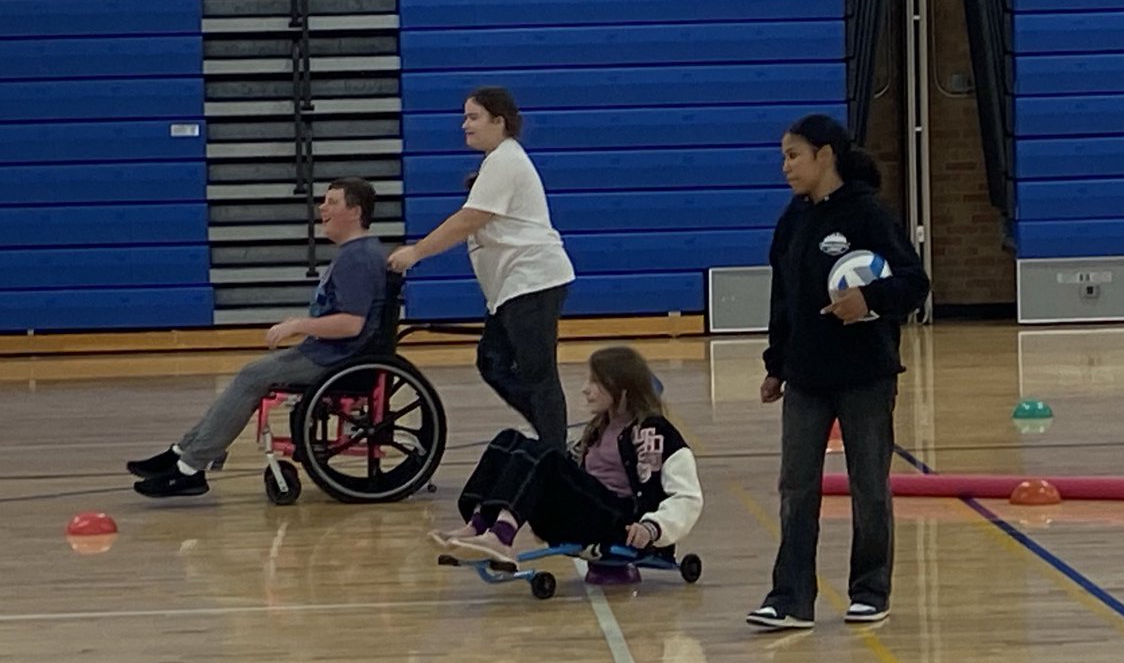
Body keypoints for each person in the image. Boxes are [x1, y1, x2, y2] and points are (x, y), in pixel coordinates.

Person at [746, 115, 930, 630]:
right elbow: (783, 299)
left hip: (866, 375)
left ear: (825, 156)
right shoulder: (792, 220)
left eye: (793, 155)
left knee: (868, 484)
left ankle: (870, 590)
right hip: (806, 376)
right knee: (797, 487)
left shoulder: (868, 214)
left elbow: (916, 283)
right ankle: (790, 598)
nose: (785, 167)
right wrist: (775, 365)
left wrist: (868, 300)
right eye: (783, 156)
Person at [127, 177, 388, 498]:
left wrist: (298, 325)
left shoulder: (358, 258)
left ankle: (190, 467)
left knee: (253, 375)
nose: (322, 207)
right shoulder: (357, 253)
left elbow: (351, 324)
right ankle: (183, 454)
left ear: (355, 212)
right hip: (329, 352)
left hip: (339, 358)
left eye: (332, 202)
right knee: (251, 373)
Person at [387, 87, 574, 450]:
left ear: (499, 121)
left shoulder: (506, 160)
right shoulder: (497, 161)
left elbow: (468, 220)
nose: (465, 125)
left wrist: (417, 253)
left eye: (473, 117)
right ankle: (553, 437)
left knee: (538, 374)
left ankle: (555, 454)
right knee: (493, 363)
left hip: (533, 281)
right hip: (511, 287)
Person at [431, 346, 702, 568]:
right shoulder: (598, 429)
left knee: (546, 453)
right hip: (583, 513)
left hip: (623, 523)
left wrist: (654, 528)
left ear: (622, 389)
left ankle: (501, 536)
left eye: (596, 382)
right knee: (509, 440)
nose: (585, 389)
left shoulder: (655, 432)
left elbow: (687, 497)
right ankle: (479, 526)